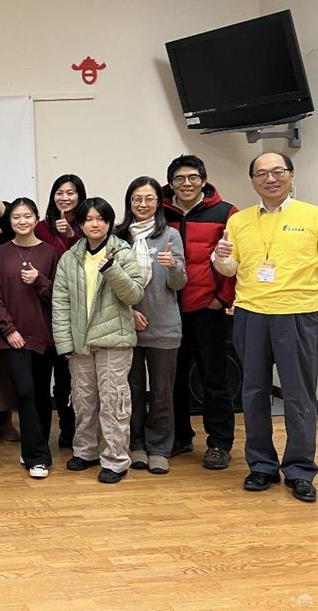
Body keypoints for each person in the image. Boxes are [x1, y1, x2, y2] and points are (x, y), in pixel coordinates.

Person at [214, 152, 317, 503]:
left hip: (299, 313)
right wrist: (219, 257)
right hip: (251, 313)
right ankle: (261, 465)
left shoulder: (312, 216)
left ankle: (301, 470)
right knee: (253, 391)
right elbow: (229, 269)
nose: (270, 179)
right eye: (261, 174)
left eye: (277, 172)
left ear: (290, 175)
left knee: (299, 394)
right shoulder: (240, 221)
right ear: (253, 181)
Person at [52, 198, 144, 484]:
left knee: (113, 401)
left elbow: (135, 295)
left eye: (100, 219)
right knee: (83, 400)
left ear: (108, 222)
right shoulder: (70, 257)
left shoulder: (123, 253)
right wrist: (65, 344)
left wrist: (112, 270)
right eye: (88, 219)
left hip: (114, 341)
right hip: (80, 343)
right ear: (79, 224)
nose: (94, 224)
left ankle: (116, 460)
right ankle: (86, 451)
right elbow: (60, 303)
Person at [162, 154, 238, 467]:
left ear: (203, 180)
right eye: (179, 178)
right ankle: (180, 437)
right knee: (173, 378)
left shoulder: (225, 212)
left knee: (214, 378)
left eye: (193, 177)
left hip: (208, 308)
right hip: (169, 311)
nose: (186, 183)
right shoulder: (159, 212)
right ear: (171, 183)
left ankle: (219, 443)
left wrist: (221, 299)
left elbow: (236, 260)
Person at [116, 177, 187, 475]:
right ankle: (135, 445)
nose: (142, 205)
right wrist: (129, 312)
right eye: (136, 199)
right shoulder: (119, 237)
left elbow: (179, 284)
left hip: (164, 326)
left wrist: (173, 266)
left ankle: (159, 447)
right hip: (126, 326)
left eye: (148, 199)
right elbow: (112, 285)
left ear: (159, 202)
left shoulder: (170, 235)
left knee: (161, 392)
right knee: (129, 391)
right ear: (129, 202)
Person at [0, 198, 59, 479]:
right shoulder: (0, 253)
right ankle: (37, 457)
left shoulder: (50, 253)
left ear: (36, 218)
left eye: (27, 216)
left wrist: (39, 280)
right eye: (16, 217)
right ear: (10, 221)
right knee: (24, 393)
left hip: (43, 336)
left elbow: (59, 294)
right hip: (12, 338)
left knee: (41, 394)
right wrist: (8, 330)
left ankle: (33, 445)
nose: (22, 221)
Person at [35, 174, 86, 449]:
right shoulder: (42, 228)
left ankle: (75, 431)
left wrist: (72, 235)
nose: (64, 198)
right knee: (50, 380)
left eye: (70, 192)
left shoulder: (87, 225)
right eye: (59, 192)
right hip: (45, 311)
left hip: (78, 314)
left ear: (80, 196)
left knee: (73, 379)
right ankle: (53, 433)